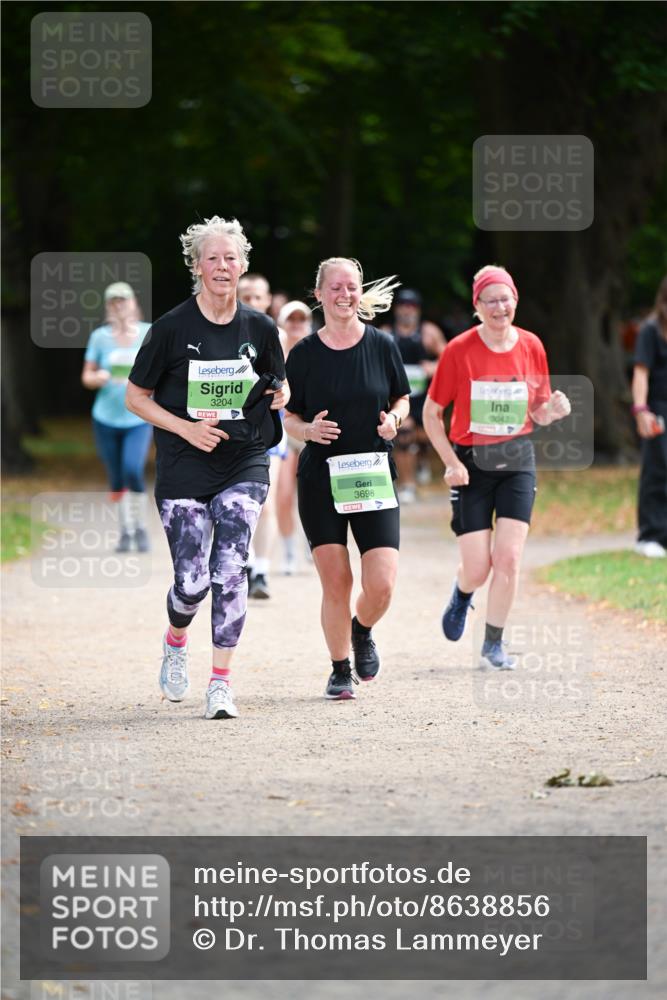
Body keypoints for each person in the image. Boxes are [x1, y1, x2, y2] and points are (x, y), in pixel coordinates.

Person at [126, 216, 288, 720]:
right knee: (193, 582)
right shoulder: (171, 328)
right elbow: (135, 397)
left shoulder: (261, 328)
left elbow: (275, 389)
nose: (222, 266)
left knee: (230, 568)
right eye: (212, 258)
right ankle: (176, 641)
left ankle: (220, 683)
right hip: (183, 464)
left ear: (243, 266)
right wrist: (185, 427)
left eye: (230, 258)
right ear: (197, 266)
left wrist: (282, 395)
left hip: (244, 459)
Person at [423, 265, 571, 670]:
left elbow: (537, 412)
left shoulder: (531, 346)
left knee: (508, 558)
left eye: (506, 299)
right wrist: (450, 462)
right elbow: (432, 413)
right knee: (477, 567)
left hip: (517, 459)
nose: (499, 307)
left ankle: (493, 643)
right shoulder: (459, 350)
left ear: (515, 301)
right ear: (477, 306)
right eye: (490, 300)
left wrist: (553, 411)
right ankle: (462, 593)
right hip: (471, 464)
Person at [283, 258, 410, 700]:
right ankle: (339, 669)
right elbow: (288, 415)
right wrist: (306, 432)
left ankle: (363, 629)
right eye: (334, 287)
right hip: (321, 478)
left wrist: (394, 419)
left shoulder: (382, 345)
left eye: (351, 287)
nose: (344, 295)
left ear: (360, 292)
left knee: (382, 584)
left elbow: (402, 398)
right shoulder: (302, 354)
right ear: (318, 294)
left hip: (373, 474)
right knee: (337, 581)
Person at [82, 282, 153, 552]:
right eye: (113, 301)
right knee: (116, 477)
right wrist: (97, 377)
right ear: (108, 306)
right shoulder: (100, 337)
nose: (119, 305)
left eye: (123, 300)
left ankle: (141, 526)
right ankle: (126, 531)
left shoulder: (148, 333)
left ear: (134, 303)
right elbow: (86, 376)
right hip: (105, 418)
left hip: (138, 416)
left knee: (132, 470)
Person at [237, 272, 288, 598]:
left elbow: (287, 380)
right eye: (247, 297)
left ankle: (261, 571)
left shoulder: (276, 334)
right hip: (234, 425)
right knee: (238, 503)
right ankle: (245, 560)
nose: (253, 303)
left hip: (269, 425)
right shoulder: (221, 332)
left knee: (265, 502)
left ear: (268, 301)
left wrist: (285, 395)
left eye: (258, 297)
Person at [381, 288, 446, 503]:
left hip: (425, 397)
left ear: (417, 310)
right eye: (403, 306)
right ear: (396, 309)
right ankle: (407, 485)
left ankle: (423, 457)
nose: (407, 311)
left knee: (424, 436)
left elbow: (449, 360)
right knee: (405, 435)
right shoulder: (386, 333)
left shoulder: (428, 333)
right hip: (399, 396)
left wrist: (433, 367)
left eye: (412, 306)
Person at [275, 300, 315, 573]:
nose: (297, 324)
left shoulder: (320, 350)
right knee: (284, 495)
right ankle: (289, 550)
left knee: (313, 496)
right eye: (292, 320)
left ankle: (311, 544)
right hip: (283, 432)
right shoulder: (274, 353)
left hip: (313, 431)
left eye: (302, 320)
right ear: (282, 323)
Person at [632, 274, 667, 558]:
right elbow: (641, 373)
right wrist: (641, 410)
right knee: (657, 469)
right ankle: (650, 535)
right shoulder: (651, 331)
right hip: (657, 407)